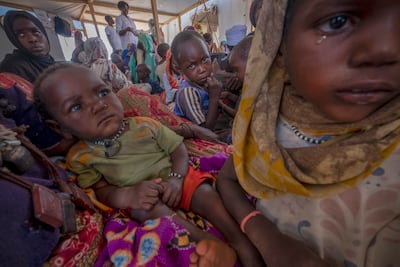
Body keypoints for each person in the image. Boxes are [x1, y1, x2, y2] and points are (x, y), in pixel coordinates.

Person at [216, 0, 400, 266]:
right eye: (337, 22)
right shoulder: (267, 123)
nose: (386, 48)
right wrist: (268, 239)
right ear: (279, 48)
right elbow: (226, 180)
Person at [33, 62, 263, 267]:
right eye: (75, 107)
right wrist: (127, 195)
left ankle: (240, 241)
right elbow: (101, 190)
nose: (98, 105)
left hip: (175, 178)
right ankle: (207, 242)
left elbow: (178, 149)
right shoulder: (79, 157)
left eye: (103, 92)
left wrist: (176, 177)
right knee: (144, 210)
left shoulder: (144, 125)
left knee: (206, 193)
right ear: (59, 127)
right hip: (144, 196)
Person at [172, 31, 222, 130]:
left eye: (204, 60)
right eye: (191, 66)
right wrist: (214, 97)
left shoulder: (206, 81)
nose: (202, 69)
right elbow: (205, 131)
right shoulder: (188, 92)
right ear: (179, 69)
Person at [0, 10, 55, 83]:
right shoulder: (13, 67)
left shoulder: (50, 60)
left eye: (35, 32)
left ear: (43, 33)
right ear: (14, 40)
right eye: (21, 35)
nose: (32, 39)